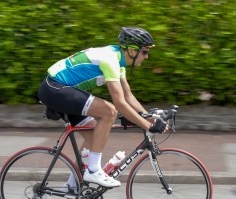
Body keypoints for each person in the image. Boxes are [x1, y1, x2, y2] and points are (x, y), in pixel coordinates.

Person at [38, 27, 168, 188]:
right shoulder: (110, 60)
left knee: (94, 136)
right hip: (54, 88)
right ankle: (93, 171)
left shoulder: (119, 61)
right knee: (109, 111)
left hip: (61, 90)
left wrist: (147, 115)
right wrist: (148, 125)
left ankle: (72, 187)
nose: (147, 57)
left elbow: (128, 96)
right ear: (133, 51)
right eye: (145, 52)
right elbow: (119, 103)